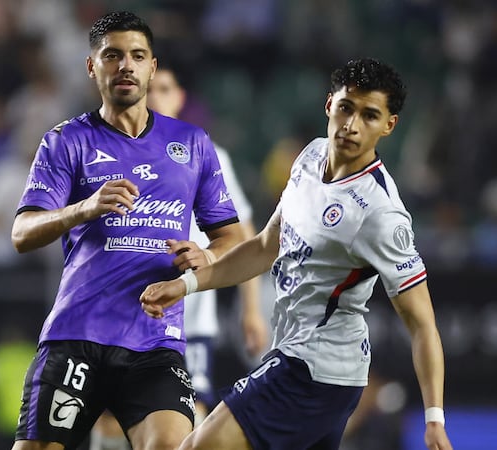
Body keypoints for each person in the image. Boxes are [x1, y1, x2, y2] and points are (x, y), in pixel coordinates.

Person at [140, 58, 453, 450]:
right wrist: (188, 284)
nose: (352, 125)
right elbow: (265, 247)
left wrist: (434, 419)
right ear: (329, 105)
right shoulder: (309, 158)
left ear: (389, 125)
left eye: (370, 115)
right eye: (346, 108)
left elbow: (422, 324)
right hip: (311, 367)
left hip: (313, 372)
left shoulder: (380, 214)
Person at [9, 11, 244, 450]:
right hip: (77, 334)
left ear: (152, 67)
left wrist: (208, 256)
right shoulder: (66, 140)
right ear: (91, 66)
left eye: (137, 56)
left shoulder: (192, 143)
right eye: (112, 55)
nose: (125, 66)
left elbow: (233, 238)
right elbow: (22, 233)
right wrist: (84, 208)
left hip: (155, 341)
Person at [89, 67, 269, 450]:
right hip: (123, 312)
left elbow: (245, 237)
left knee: (190, 418)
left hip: (188, 320)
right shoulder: (112, 150)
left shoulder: (207, 153)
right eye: (149, 89)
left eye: (164, 88)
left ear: (179, 97)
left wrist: (251, 310)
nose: (156, 96)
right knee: (108, 418)